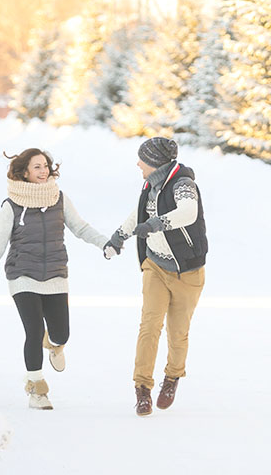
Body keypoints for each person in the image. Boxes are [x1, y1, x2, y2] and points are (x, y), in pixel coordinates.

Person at [0, 148, 108, 410]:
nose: (43, 170)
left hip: (55, 273)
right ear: (24, 171)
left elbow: (80, 228)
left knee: (61, 333)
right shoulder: (11, 205)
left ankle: (54, 345)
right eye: (36, 167)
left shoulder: (59, 199)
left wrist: (105, 243)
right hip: (22, 274)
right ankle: (37, 388)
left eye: (45, 165)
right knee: (33, 330)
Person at [103, 137, 208, 416]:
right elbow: (138, 213)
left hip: (187, 271)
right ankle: (142, 389)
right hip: (155, 266)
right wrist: (118, 237)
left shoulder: (183, 184)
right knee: (149, 326)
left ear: (155, 162)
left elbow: (189, 212)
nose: (138, 164)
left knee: (178, 332)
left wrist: (156, 224)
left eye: (143, 160)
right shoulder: (150, 185)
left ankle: (172, 378)